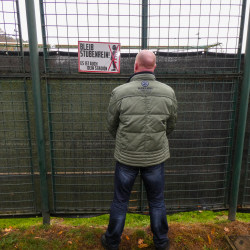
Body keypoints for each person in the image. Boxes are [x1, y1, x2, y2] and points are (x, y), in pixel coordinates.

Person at [101, 50, 177, 250]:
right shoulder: (168, 92)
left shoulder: (120, 92)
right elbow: (171, 125)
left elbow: (111, 124)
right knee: (157, 202)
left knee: (120, 201)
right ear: (154, 67)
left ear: (135, 66)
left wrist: (125, 141)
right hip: (155, 157)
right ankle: (161, 243)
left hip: (126, 157)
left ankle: (111, 242)